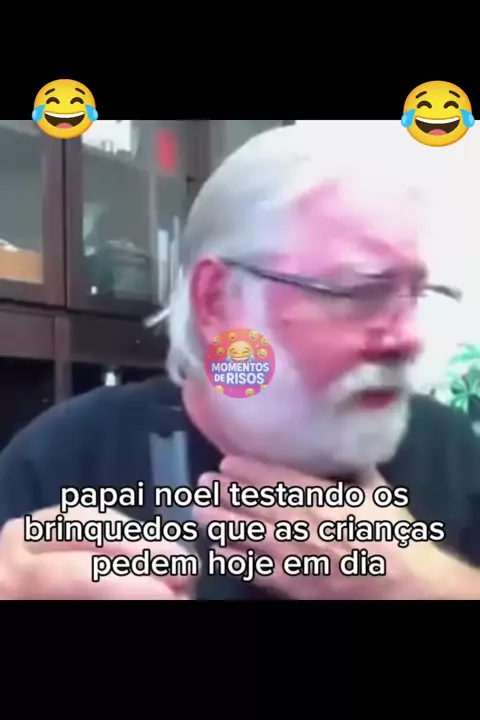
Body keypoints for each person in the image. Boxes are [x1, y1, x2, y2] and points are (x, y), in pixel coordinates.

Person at [0, 125, 480, 600]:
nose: (408, 338)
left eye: (418, 294)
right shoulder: (65, 458)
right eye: (360, 292)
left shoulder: (450, 453)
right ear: (217, 300)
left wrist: (421, 583)